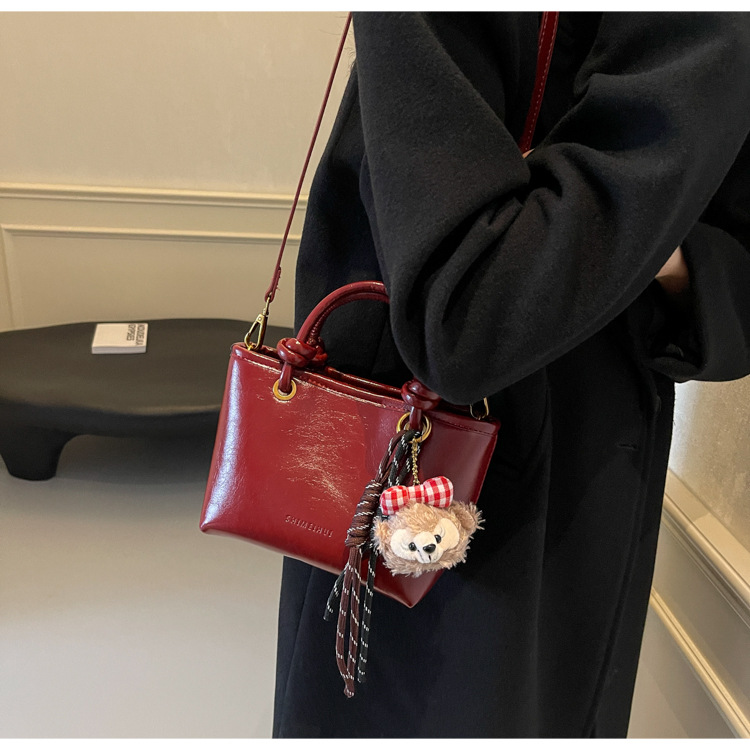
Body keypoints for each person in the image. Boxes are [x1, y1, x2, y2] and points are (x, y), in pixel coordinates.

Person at [272, 12, 750, 738]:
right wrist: (648, 240)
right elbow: (469, 319)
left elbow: (733, 294)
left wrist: (634, 243)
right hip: (421, 452)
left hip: (595, 474)